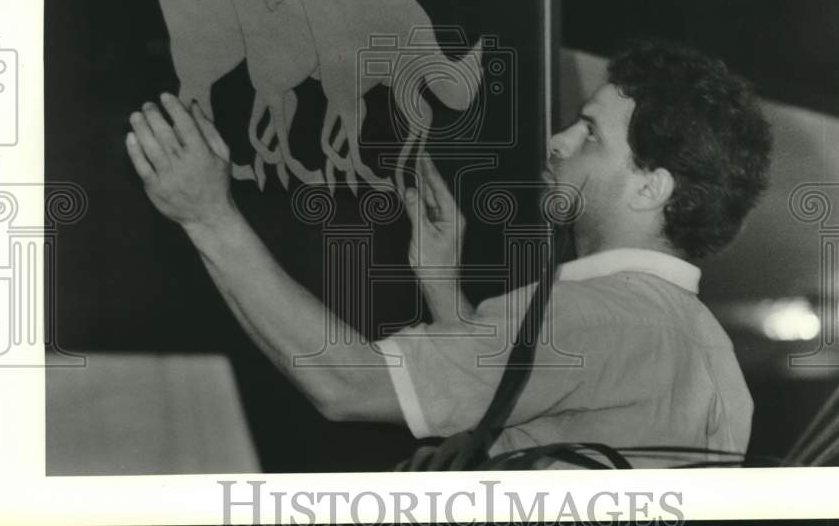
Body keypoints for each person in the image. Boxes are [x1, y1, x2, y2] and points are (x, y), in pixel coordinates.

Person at [124, 38, 772, 467]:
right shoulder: (706, 347)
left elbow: (345, 384)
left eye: (591, 133)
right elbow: (528, 414)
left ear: (651, 187)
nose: (557, 141)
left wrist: (208, 215)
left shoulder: (588, 316)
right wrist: (442, 286)